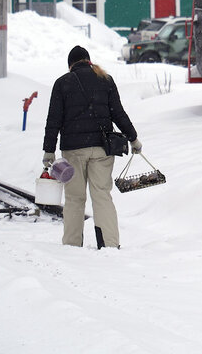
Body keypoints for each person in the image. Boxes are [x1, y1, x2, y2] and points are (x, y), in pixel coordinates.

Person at [43, 45, 142, 249]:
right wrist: (133, 138)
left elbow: (54, 120)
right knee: (102, 195)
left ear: (70, 65)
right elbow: (118, 113)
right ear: (89, 60)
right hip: (102, 149)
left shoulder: (62, 83)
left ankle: (71, 244)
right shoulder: (105, 79)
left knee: (74, 198)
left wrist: (49, 150)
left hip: (73, 151)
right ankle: (110, 244)